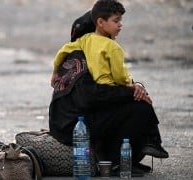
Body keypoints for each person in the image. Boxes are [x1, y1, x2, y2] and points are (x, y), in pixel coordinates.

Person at [49, 0, 168, 176]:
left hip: (68, 121)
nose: (119, 26)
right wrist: (132, 91)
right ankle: (118, 162)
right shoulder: (87, 57)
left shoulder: (77, 49)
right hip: (71, 127)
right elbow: (93, 96)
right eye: (115, 21)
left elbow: (111, 86)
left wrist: (136, 88)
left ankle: (130, 157)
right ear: (99, 24)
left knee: (132, 100)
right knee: (139, 108)